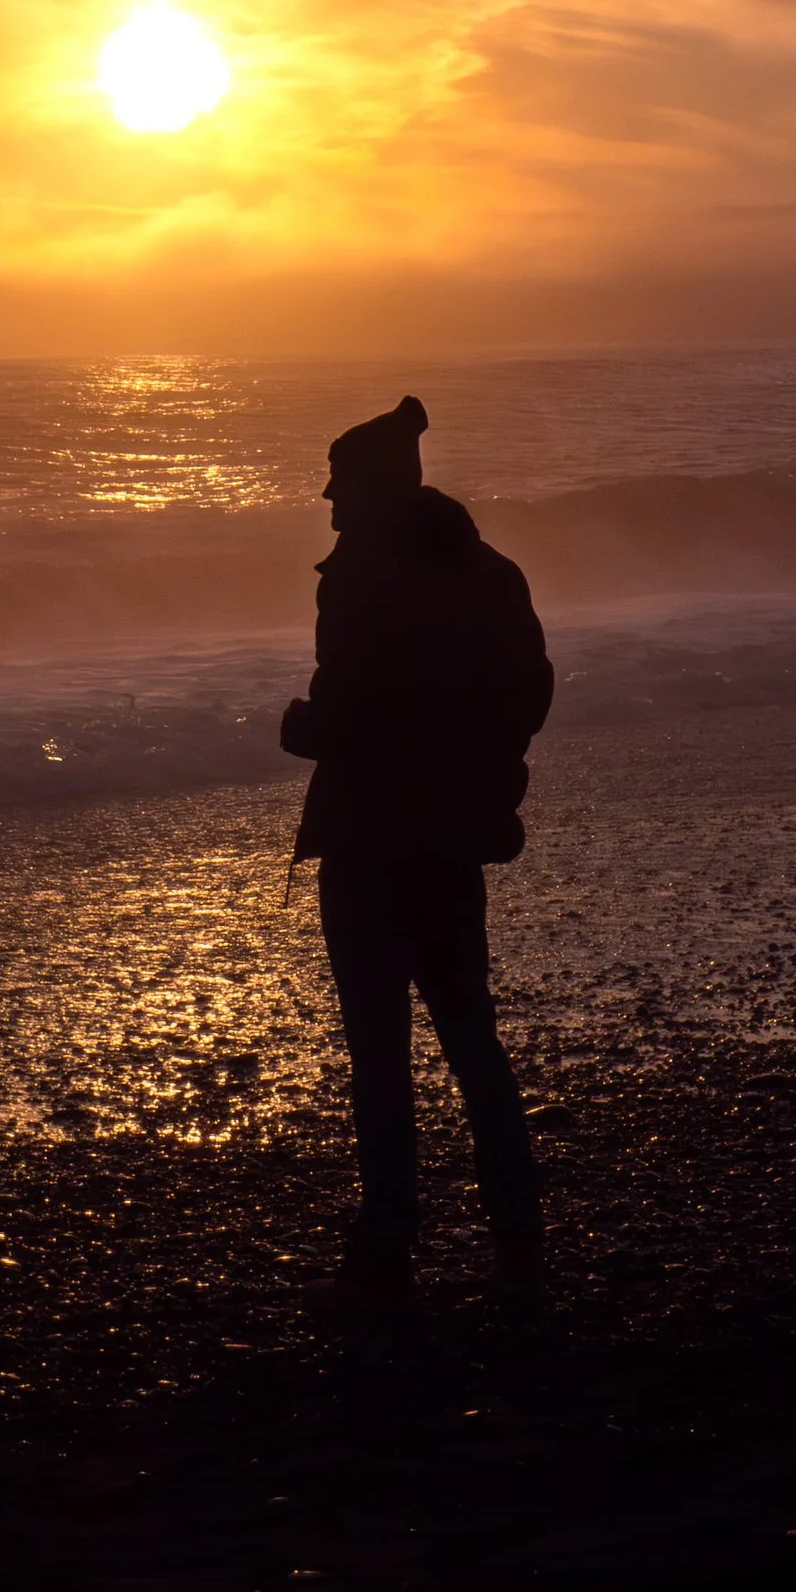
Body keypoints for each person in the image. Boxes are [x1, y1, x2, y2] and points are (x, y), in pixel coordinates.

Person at [280, 394, 554, 1306]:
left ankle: (389, 1239)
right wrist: (484, 777)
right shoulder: (489, 571)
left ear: (371, 487)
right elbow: (526, 691)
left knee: (379, 1048)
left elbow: (355, 705)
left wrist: (307, 729)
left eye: (338, 480)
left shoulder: (357, 575)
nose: (326, 498)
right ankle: (517, 1224)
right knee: (470, 1029)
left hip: (369, 835)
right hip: (448, 835)